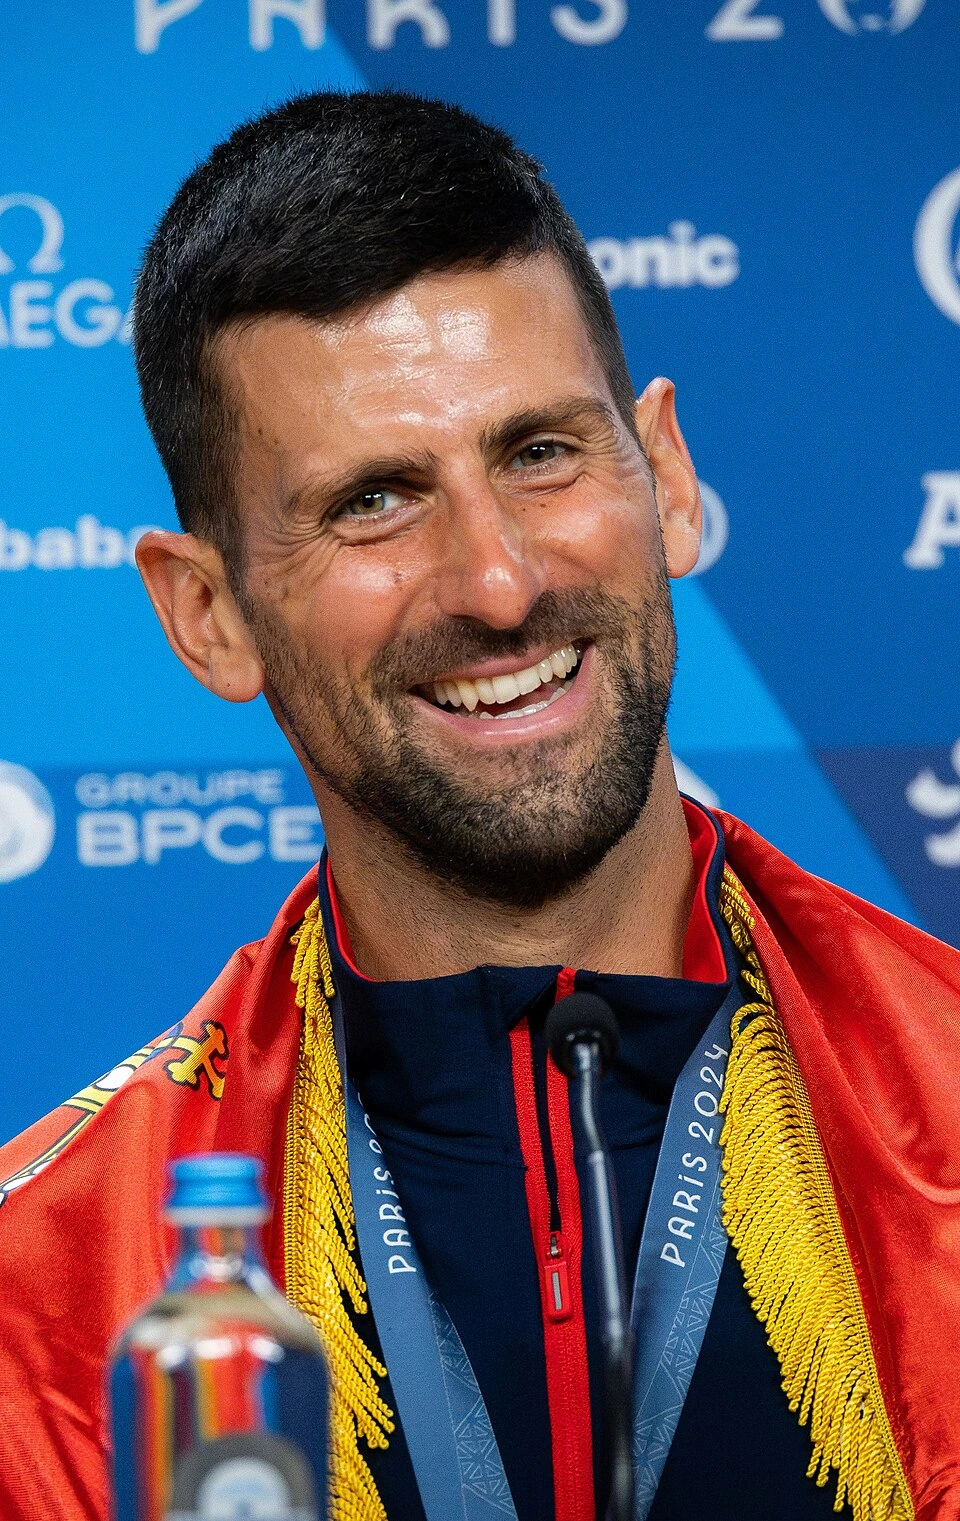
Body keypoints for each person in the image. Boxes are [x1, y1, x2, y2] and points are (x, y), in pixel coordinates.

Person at [0, 89, 957, 1521]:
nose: (499, 583)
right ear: (207, 616)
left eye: (540, 453)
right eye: (376, 500)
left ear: (668, 477)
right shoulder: (48, 1299)